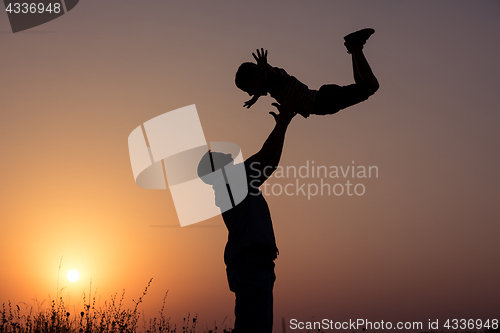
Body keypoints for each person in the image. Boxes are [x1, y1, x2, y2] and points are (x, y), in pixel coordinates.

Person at [198, 99, 297, 332]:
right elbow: (266, 155)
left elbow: (270, 163)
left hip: (254, 262)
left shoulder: (236, 182)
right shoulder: (232, 181)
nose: (225, 152)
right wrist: (283, 122)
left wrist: (284, 125)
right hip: (251, 262)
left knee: (255, 326)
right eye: (219, 155)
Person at [235, 28, 380, 118]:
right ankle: (354, 47)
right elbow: (259, 91)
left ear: (256, 76)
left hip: (325, 99)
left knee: (371, 85)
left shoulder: (273, 77)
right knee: (363, 85)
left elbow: (272, 74)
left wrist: (265, 66)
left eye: (248, 89)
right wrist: (254, 98)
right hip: (325, 102)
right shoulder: (267, 86)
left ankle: (355, 46)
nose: (250, 93)